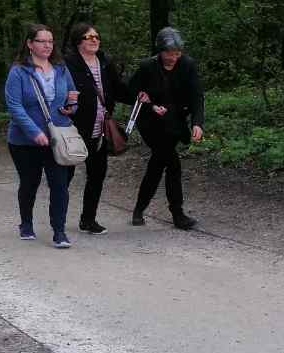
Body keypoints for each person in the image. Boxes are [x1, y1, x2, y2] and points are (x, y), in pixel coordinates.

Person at [4, 24, 80, 248]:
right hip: (24, 141)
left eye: (50, 41)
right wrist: (34, 132)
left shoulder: (61, 69)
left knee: (60, 184)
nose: (47, 45)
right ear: (30, 44)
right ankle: (26, 223)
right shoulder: (18, 72)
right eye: (42, 41)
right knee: (30, 182)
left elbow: (72, 95)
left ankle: (59, 231)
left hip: (57, 137)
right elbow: (15, 106)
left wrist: (71, 107)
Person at [124, 26, 204, 230]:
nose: (173, 58)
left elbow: (197, 96)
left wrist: (197, 123)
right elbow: (130, 92)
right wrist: (149, 104)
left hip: (174, 123)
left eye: (177, 53)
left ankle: (139, 210)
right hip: (151, 124)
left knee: (157, 165)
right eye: (169, 53)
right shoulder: (147, 67)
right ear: (160, 50)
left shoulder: (187, 65)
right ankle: (178, 214)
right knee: (172, 163)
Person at [63, 21, 125, 235]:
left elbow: (118, 89)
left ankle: (88, 219)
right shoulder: (68, 64)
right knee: (65, 176)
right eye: (89, 37)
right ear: (78, 41)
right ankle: (57, 218)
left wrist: (142, 96)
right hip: (75, 129)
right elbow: (58, 91)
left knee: (97, 175)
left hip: (100, 130)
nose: (95, 40)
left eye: (97, 36)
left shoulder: (105, 62)